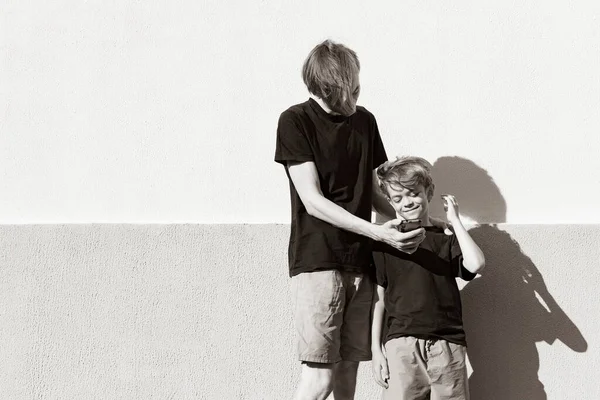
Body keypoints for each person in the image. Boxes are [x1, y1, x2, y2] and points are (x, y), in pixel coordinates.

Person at [274, 40, 428, 400]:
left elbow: (373, 192)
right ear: (330, 85)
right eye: (352, 83)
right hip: (319, 262)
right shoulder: (295, 121)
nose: (359, 89)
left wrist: (425, 221)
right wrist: (377, 232)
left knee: (346, 382)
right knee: (319, 381)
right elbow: (312, 200)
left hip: (361, 263)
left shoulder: (365, 121)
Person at [371, 156, 485, 400]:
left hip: (447, 343)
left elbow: (476, 264)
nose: (407, 202)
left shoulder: (445, 240)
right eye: (398, 198)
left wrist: (454, 221)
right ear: (390, 202)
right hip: (401, 344)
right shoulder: (386, 242)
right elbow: (378, 300)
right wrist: (376, 350)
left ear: (428, 192)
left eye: (413, 193)